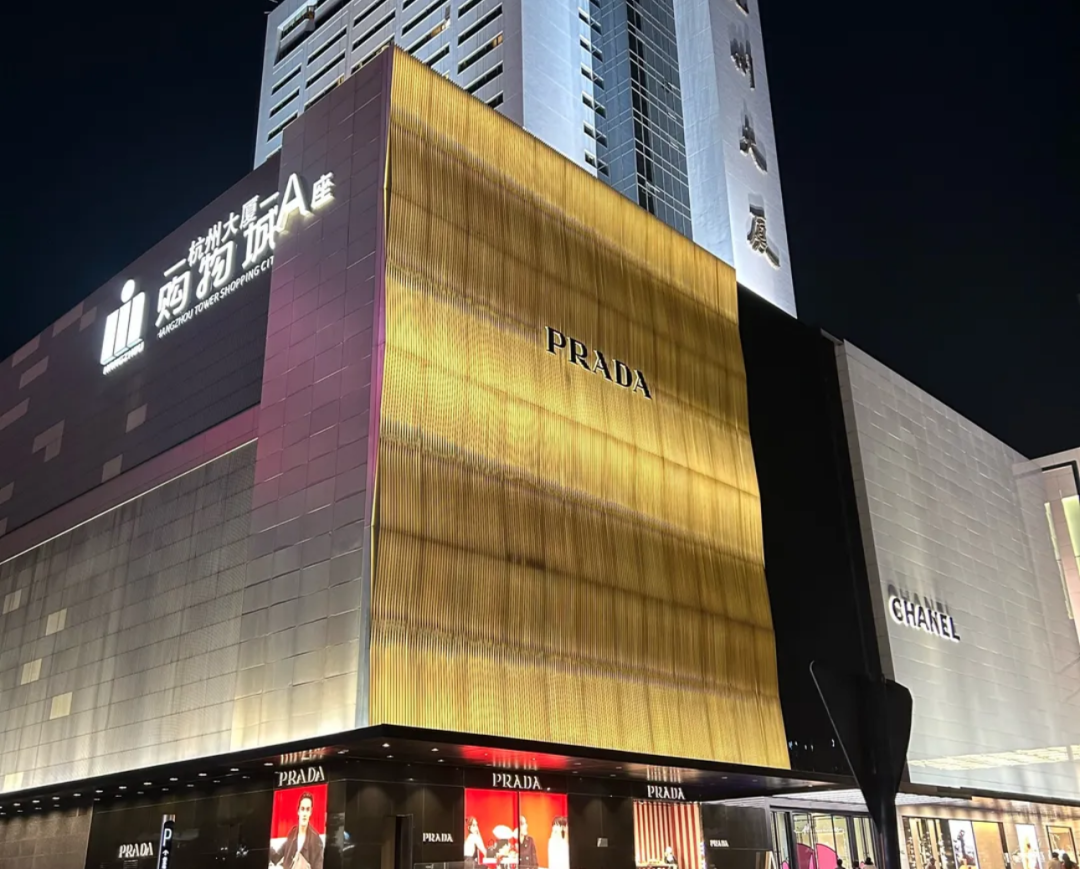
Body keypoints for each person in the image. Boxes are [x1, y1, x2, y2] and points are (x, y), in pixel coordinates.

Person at [269, 791, 324, 869]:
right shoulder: (292, 834)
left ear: (311, 812)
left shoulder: (317, 842)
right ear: (298, 811)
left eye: (307, 809)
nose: (304, 813)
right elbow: (276, 857)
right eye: (302, 809)